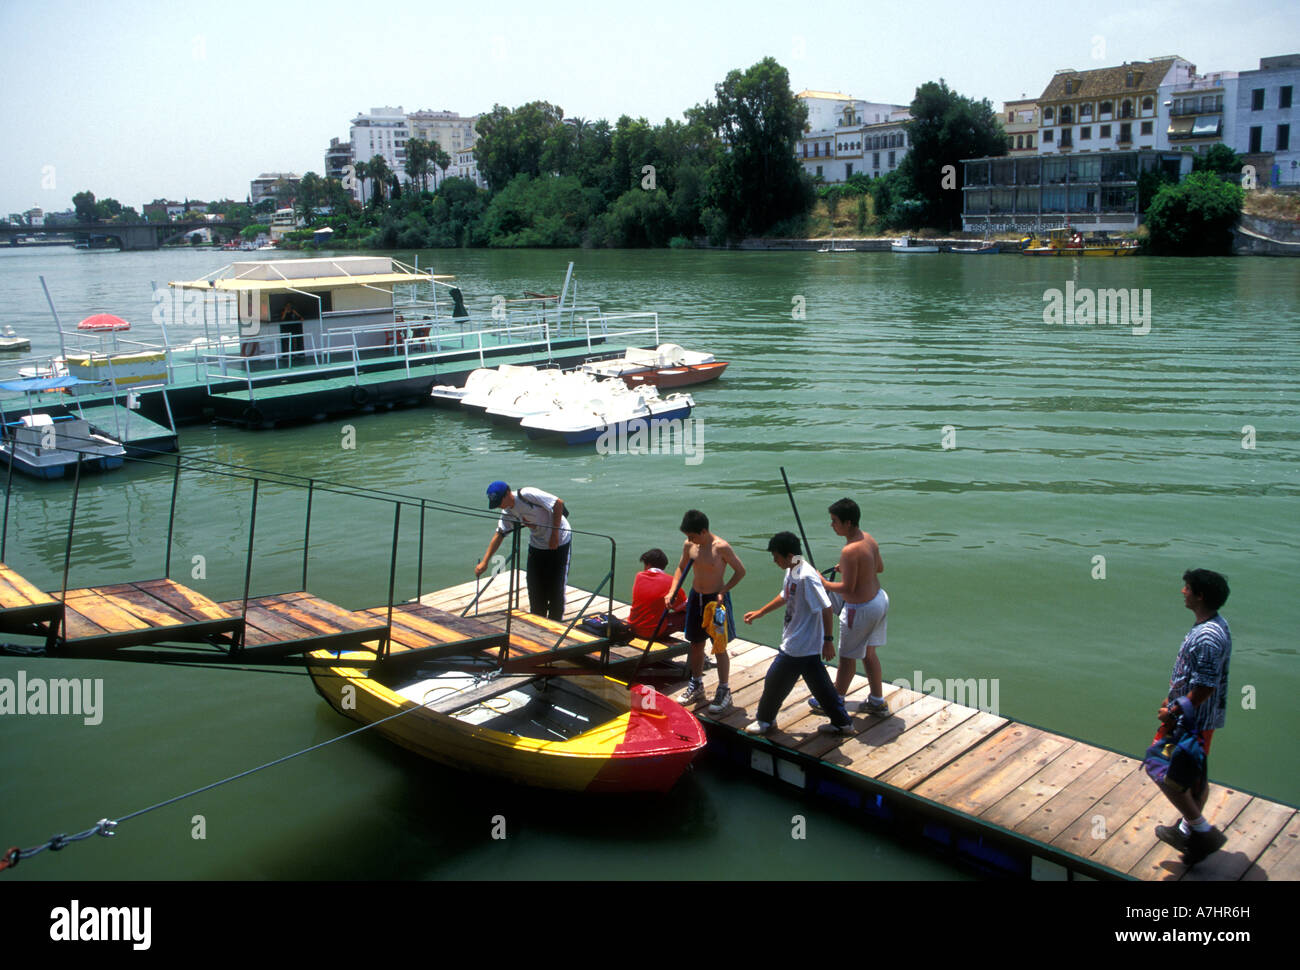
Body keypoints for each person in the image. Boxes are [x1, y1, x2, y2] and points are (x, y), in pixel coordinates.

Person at [1147, 569, 1232, 867]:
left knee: (1159, 766)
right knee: (1194, 776)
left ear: (1200, 595)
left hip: (1190, 720)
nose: (1182, 591)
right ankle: (1189, 835)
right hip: (1200, 717)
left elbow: (1205, 685)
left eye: (1187, 588)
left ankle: (1200, 830)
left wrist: (1172, 711)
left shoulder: (1207, 636)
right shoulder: (1215, 624)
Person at [742, 532, 853, 736]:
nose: (774, 560)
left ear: (789, 555)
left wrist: (828, 640)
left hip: (799, 644)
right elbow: (785, 595)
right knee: (821, 687)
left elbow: (826, 607)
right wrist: (760, 612)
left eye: (776, 556)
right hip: (803, 642)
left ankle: (765, 720)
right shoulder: (792, 568)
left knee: (775, 680)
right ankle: (842, 723)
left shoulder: (806, 576)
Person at [818, 498, 890, 717]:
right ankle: (877, 700)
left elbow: (847, 587)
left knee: (847, 659)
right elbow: (879, 568)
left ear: (847, 523)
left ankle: (834, 702)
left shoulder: (849, 550)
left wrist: (823, 582)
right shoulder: (869, 539)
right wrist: (851, 569)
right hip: (879, 600)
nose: (832, 525)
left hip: (860, 610)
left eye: (835, 521)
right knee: (869, 654)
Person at [669, 510, 745, 712]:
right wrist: (672, 591)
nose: (689, 540)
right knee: (695, 643)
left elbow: (740, 571)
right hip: (696, 597)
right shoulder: (690, 546)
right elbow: (680, 567)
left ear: (703, 531)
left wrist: (724, 589)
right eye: (687, 537)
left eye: (692, 536)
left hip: (715, 601)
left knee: (718, 646)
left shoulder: (721, 547)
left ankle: (724, 689)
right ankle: (696, 684)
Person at [475, 481, 571, 620]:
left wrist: (554, 535)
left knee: (556, 586)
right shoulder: (508, 512)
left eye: (499, 502)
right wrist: (484, 562)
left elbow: (558, 504)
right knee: (534, 586)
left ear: (507, 493)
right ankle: (539, 621)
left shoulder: (527, 494)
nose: (499, 507)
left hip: (560, 541)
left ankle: (556, 623)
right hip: (537, 543)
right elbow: (500, 534)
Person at [628, 548, 686, 641]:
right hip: (652, 632)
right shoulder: (670, 581)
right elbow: (684, 607)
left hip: (634, 626)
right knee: (691, 616)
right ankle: (697, 648)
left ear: (648, 565)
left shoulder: (639, 576)